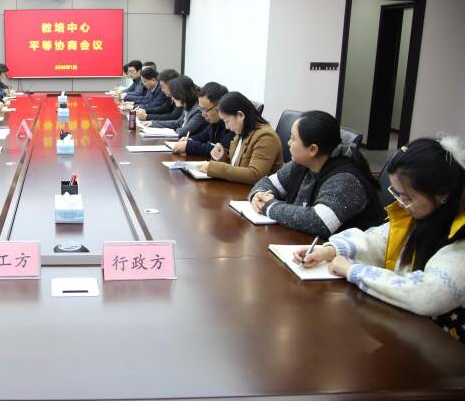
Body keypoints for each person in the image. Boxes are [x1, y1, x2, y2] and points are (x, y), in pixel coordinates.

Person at [294, 137, 465, 342]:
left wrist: (352, 270)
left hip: (444, 345)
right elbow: (376, 240)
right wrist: (330, 250)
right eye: (396, 193)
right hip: (406, 328)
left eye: (407, 197)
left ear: (442, 194)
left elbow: (426, 295)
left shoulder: (460, 240)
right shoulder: (421, 214)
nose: (400, 203)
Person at [248, 110, 385, 237]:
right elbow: (269, 182)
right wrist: (259, 195)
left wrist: (269, 206)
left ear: (313, 149)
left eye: (293, 139)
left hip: (347, 252)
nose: (288, 143)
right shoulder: (302, 163)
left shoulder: (346, 179)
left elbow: (319, 222)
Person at [187, 91, 283, 185]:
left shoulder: (265, 137)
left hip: (256, 193)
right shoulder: (241, 132)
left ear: (240, 115)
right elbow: (235, 165)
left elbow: (254, 175)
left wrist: (213, 167)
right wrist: (222, 158)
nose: (226, 127)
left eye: (227, 121)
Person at [170, 82, 234, 157]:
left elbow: (221, 150)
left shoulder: (231, 124)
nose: (203, 115)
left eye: (205, 110)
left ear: (219, 106)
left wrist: (189, 146)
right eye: (201, 109)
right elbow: (203, 135)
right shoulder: (214, 122)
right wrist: (189, 140)